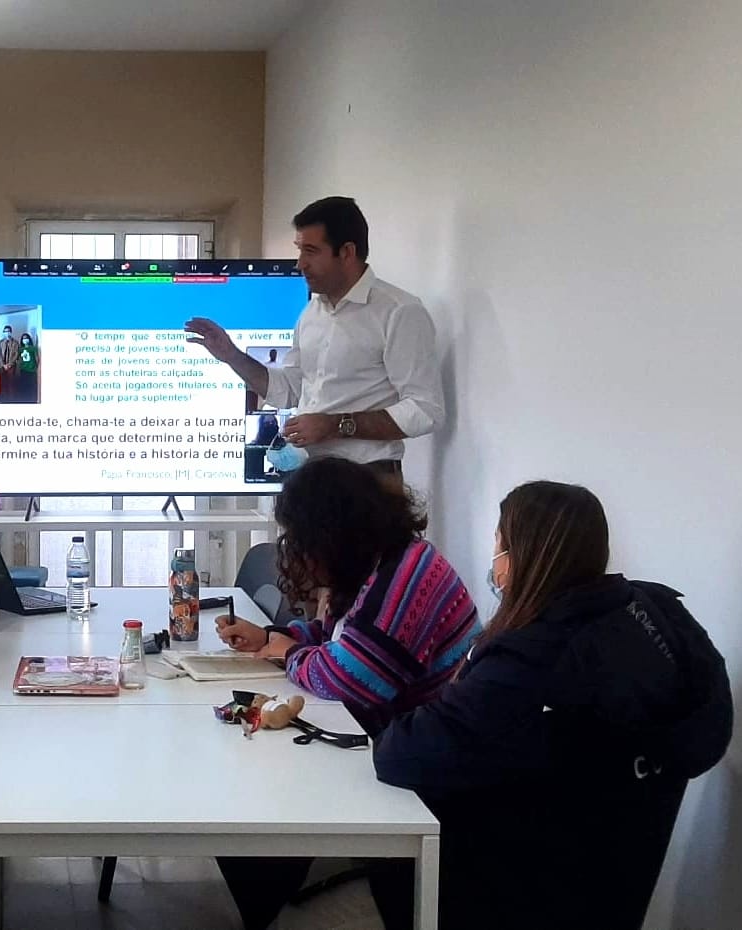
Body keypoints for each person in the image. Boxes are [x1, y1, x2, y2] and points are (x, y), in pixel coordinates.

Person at [361, 482, 732, 930]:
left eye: (499, 545)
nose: (494, 563)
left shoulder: (530, 659)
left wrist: (465, 680)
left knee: (386, 847)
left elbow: (400, 755)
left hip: (520, 881)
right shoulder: (657, 612)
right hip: (615, 880)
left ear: (524, 555)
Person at [213, 456, 480, 930]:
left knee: (260, 793)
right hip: (391, 731)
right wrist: (275, 636)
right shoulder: (383, 561)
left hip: (419, 760)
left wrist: (286, 652)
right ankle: (262, 893)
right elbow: (339, 635)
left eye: (300, 537)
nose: (295, 550)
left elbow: (352, 680)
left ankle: (264, 896)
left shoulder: (406, 579)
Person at [185, 196, 444, 491]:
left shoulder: (398, 311)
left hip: (370, 483)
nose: (300, 264)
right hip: (311, 480)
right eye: (300, 250)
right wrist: (232, 356)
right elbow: (289, 391)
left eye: (311, 251)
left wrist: (335, 425)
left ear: (347, 252)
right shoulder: (311, 313)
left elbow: (426, 411)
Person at [17, 332, 39, 402]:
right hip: (23, 370)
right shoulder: (21, 349)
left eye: (26, 338)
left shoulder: (33, 348)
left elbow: (37, 359)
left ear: (29, 339)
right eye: (23, 338)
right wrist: (19, 368)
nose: (25, 339)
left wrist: (36, 367)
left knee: (31, 387)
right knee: (23, 387)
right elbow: (19, 359)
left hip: (31, 370)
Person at [0, 324, 19, 396]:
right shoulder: (0, 342)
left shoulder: (15, 342)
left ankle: (11, 397)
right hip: (2, 365)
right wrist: (3, 364)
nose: (7, 332)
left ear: (11, 332)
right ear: (3, 332)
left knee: (11, 382)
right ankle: (3, 396)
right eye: (5, 331)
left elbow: (16, 354)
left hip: (11, 366)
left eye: (8, 331)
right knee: (3, 382)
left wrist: (9, 364)